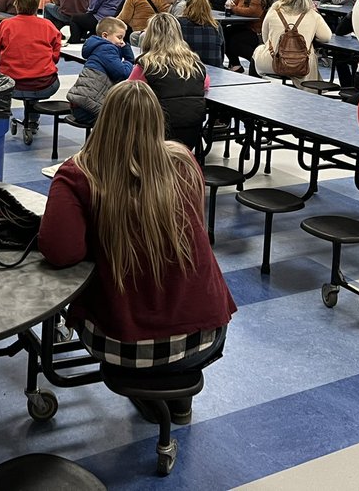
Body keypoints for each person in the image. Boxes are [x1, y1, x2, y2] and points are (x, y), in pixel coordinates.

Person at [39, 81, 235, 425]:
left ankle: (149, 392)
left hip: (124, 345)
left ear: (104, 119)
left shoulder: (79, 172)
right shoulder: (184, 160)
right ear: (157, 121)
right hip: (206, 334)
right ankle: (178, 400)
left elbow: (61, 253)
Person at [0, 0, 61, 144]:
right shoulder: (49, 26)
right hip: (45, 84)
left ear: (16, 3)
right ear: (37, 5)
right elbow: (55, 56)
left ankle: (3, 114)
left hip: (13, 84)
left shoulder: (5, 25)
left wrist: (3, 66)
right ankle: (32, 120)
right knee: (36, 80)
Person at [129, 13, 208, 151]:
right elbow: (205, 84)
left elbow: (129, 90)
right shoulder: (195, 62)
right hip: (190, 132)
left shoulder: (146, 65)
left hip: (156, 133)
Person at [252, 0, 332, 83]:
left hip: (271, 62)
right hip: (301, 65)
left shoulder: (274, 10)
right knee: (311, 57)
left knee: (258, 51)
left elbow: (265, 38)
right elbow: (326, 37)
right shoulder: (313, 15)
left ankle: (254, 85)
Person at [67, 16, 134, 126]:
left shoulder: (98, 47)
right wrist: (129, 60)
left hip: (80, 103)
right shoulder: (107, 49)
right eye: (119, 37)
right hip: (88, 107)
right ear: (105, 36)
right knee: (125, 122)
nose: (122, 42)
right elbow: (123, 73)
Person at [224, 0, 271, 73]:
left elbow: (253, 12)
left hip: (255, 32)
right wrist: (231, 6)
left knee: (233, 41)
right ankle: (235, 64)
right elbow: (232, 3)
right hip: (243, 27)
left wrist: (234, 8)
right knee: (224, 33)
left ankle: (257, 62)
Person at [179, 0, 224, 69]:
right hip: (215, 69)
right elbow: (221, 53)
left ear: (187, 7)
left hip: (188, 69)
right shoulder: (216, 26)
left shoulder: (179, 24)